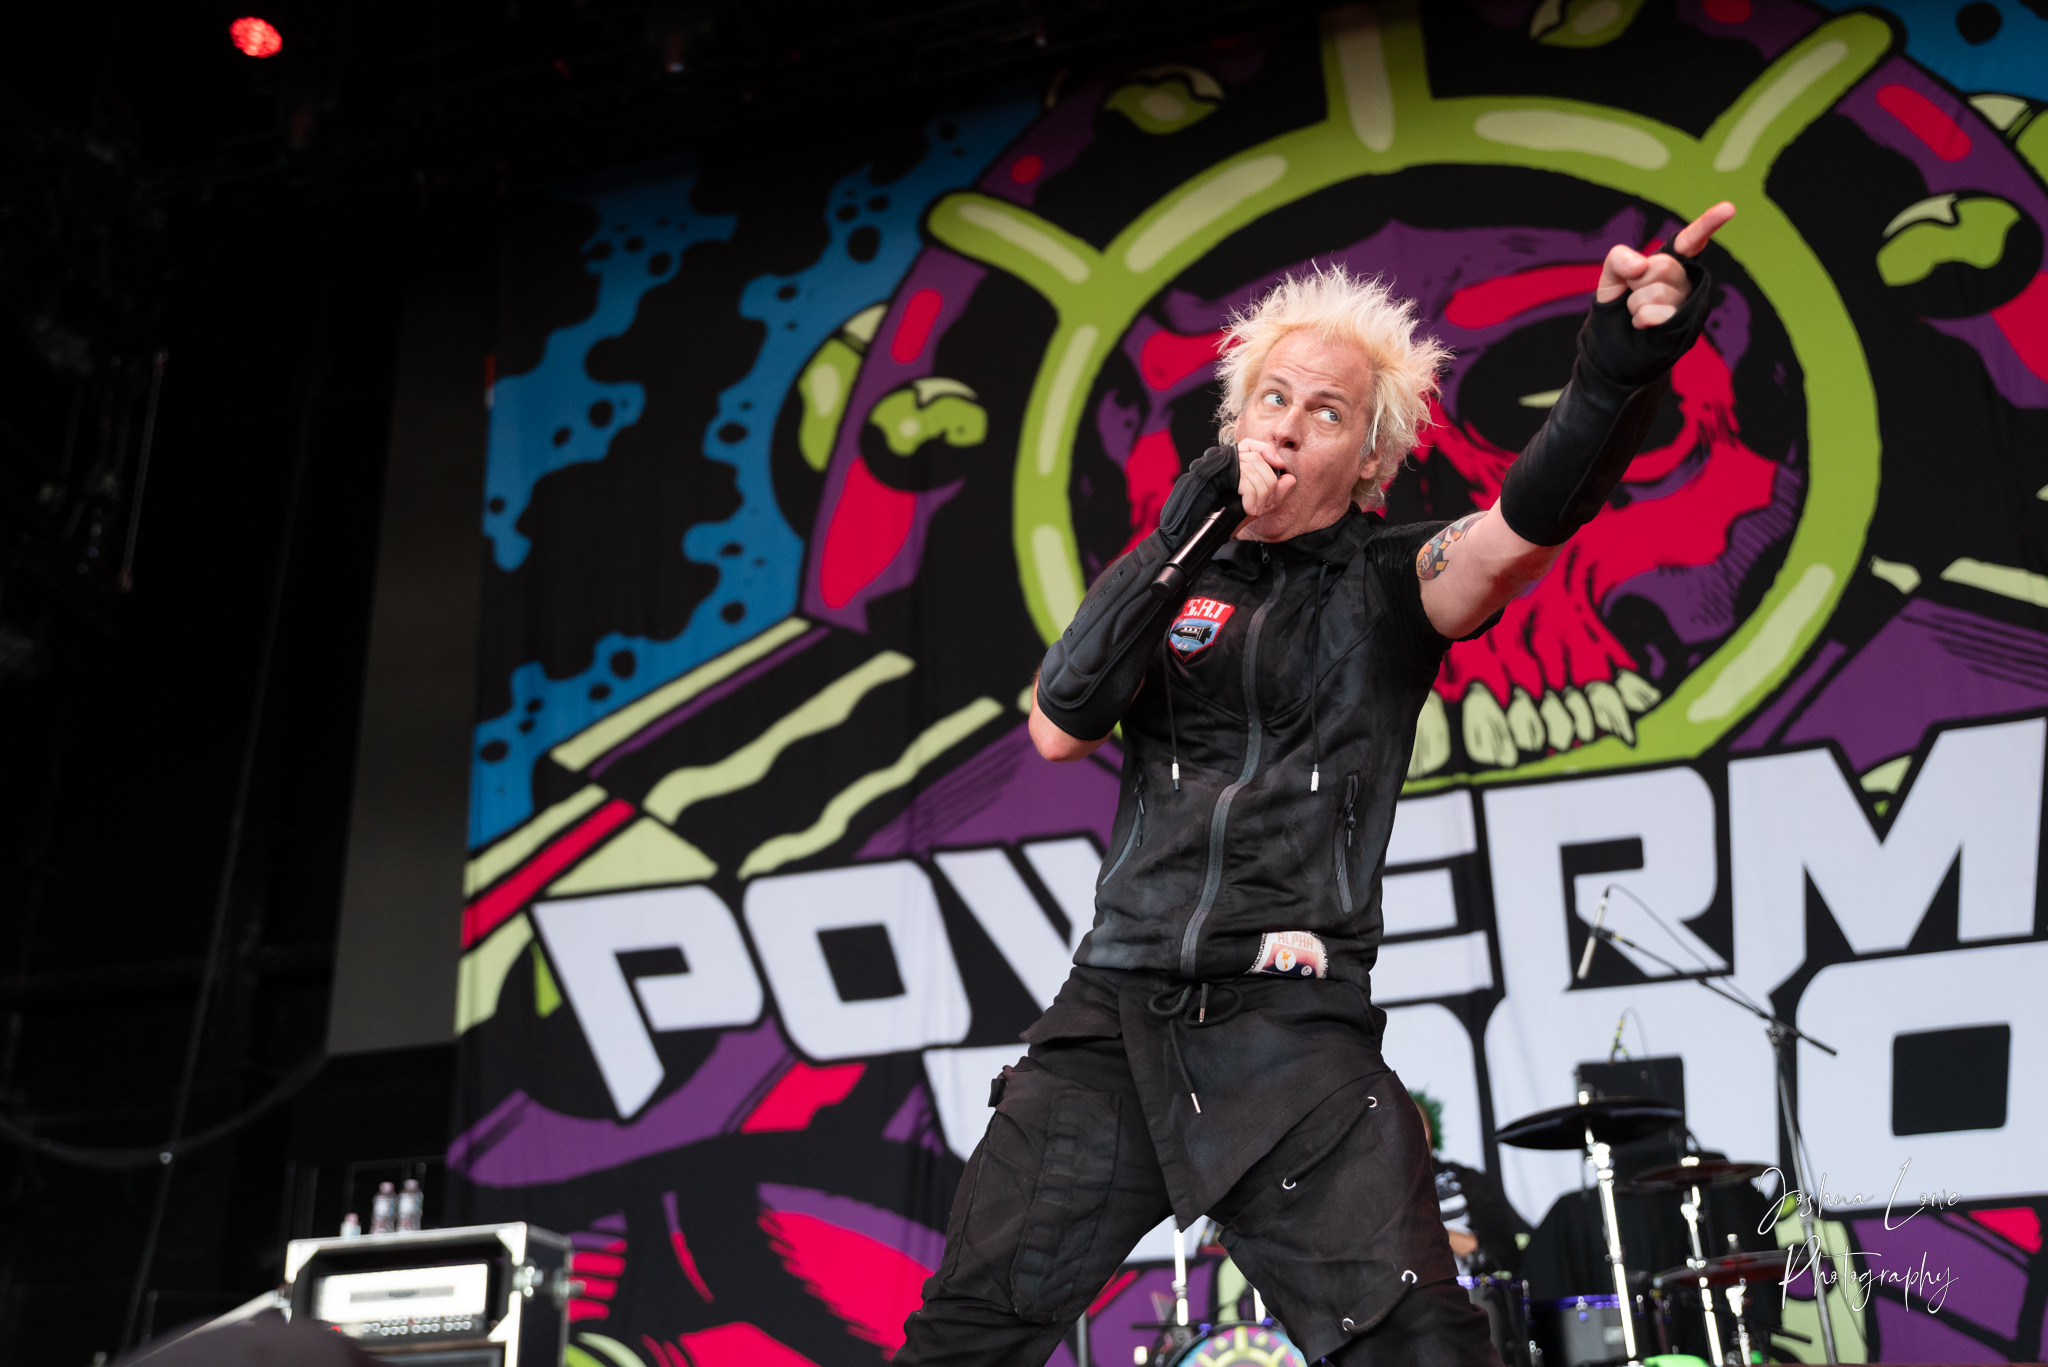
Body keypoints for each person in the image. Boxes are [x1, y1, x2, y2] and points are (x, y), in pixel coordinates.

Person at [896, 203, 1736, 1367]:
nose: (1288, 426)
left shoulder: (1391, 582)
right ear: (1234, 420)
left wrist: (1617, 365)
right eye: (1272, 399)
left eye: (1327, 411)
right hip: (1112, 1016)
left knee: (1419, 1344)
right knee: (962, 1338)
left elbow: (1528, 519)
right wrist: (1184, 529)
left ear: (1372, 460)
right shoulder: (1167, 569)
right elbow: (1058, 723)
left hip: (1288, 1030)